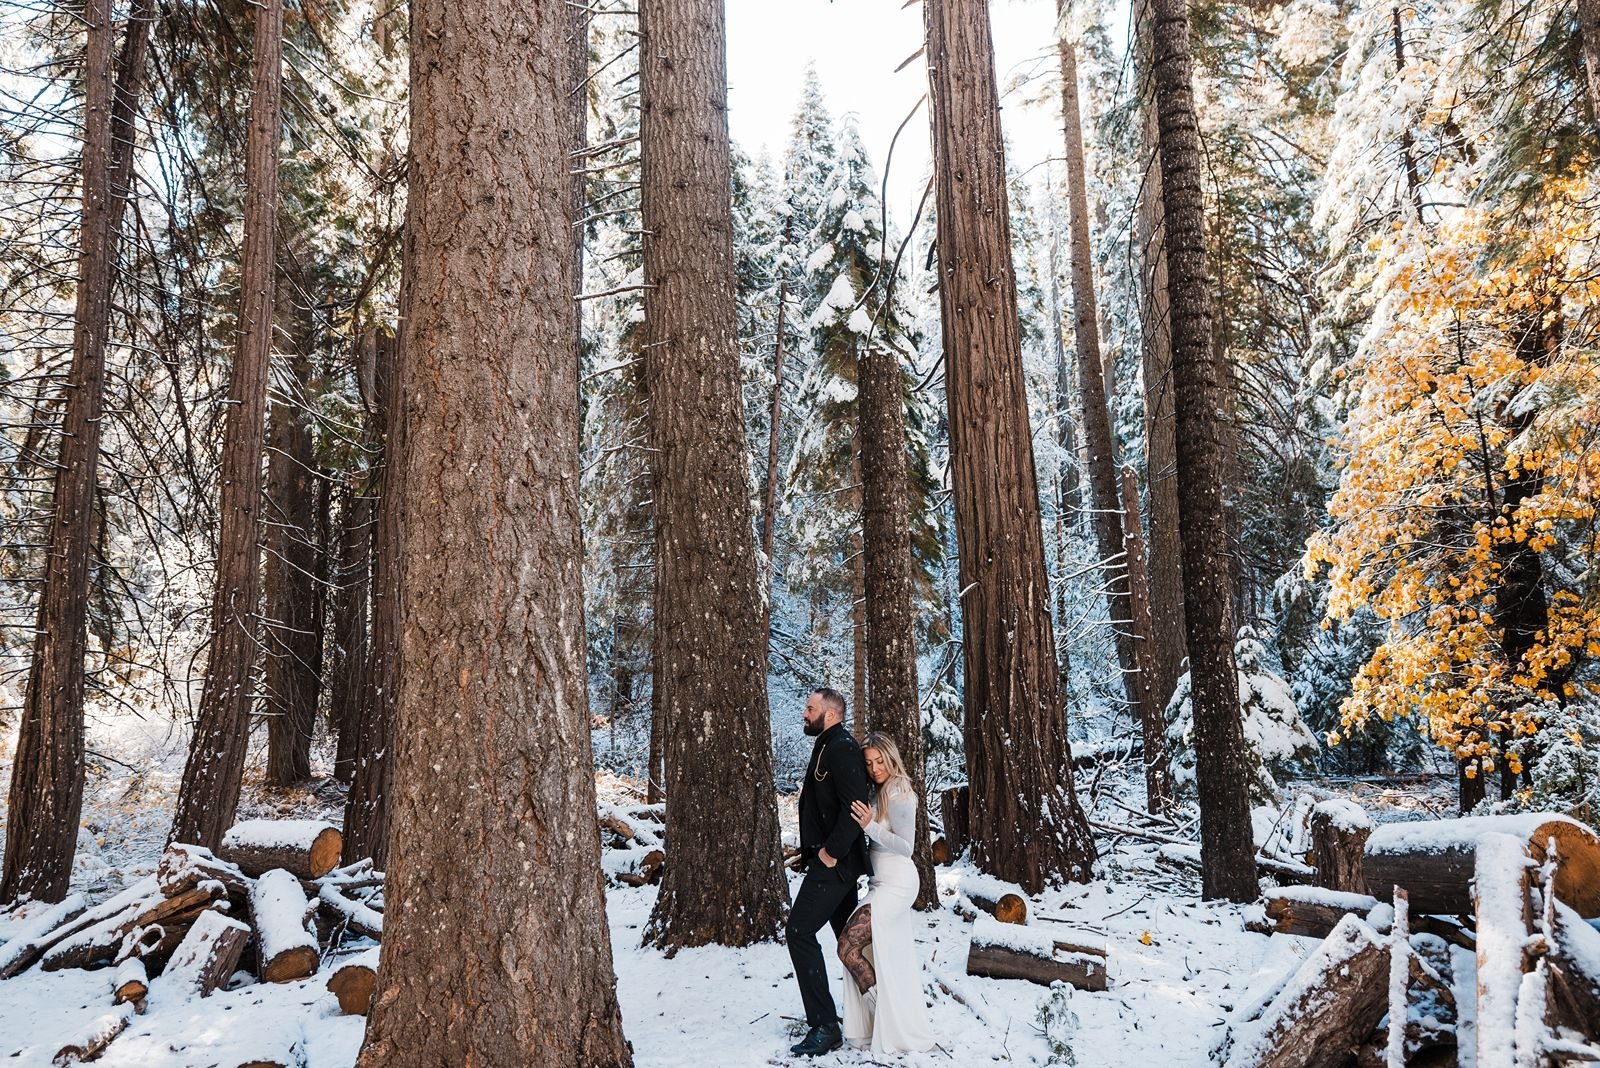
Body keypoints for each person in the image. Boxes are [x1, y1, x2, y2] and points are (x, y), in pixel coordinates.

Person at [786, 687, 871, 1058]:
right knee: (847, 943)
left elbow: (856, 805)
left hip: (835, 866)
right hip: (830, 863)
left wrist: (831, 853)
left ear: (830, 714)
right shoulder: (826, 743)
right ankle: (882, 1010)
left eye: (810, 708)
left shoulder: (841, 748)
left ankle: (824, 1026)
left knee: (798, 931)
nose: (804, 714)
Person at [838, 732, 935, 1053]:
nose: (875, 768)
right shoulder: (878, 790)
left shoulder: (899, 791)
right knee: (862, 950)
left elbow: (906, 847)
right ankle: (884, 1019)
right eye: (869, 763)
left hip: (898, 883)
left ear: (891, 758)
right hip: (880, 882)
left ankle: (886, 1017)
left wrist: (869, 826)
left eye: (880, 761)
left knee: (848, 945)